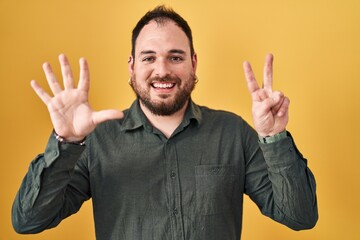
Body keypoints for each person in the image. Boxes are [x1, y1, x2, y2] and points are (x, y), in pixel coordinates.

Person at [12, 5, 318, 240]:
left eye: (175, 57)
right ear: (131, 67)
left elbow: (300, 216)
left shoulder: (233, 132)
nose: (162, 70)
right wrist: (66, 143)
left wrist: (274, 137)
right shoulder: (97, 141)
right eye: (148, 58)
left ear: (193, 63)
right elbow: (29, 221)